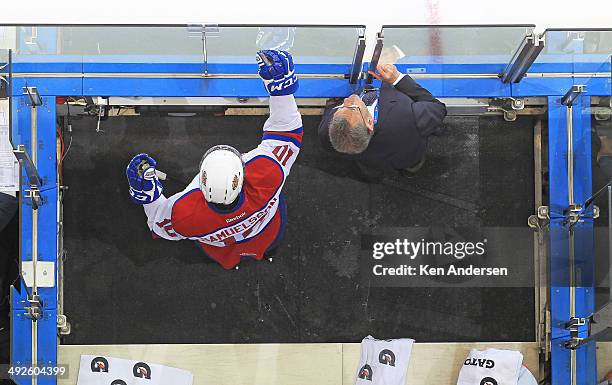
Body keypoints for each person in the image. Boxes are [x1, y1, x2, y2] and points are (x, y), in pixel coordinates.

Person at [126, 50, 302, 270]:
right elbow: (287, 132)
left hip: (221, 248)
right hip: (268, 232)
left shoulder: (185, 215)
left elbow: (158, 225)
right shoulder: (268, 175)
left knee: (219, 248)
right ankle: (266, 253)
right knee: (268, 242)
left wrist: (148, 195)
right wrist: (281, 89)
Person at [318, 63, 446, 180]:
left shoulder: (326, 133)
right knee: (410, 160)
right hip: (404, 156)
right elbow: (438, 108)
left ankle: (372, 170)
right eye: (352, 107)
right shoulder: (409, 116)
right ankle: (411, 167)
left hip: (369, 160)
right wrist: (397, 79)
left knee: (371, 163)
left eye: (340, 108)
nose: (347, 100)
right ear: (369, 122)